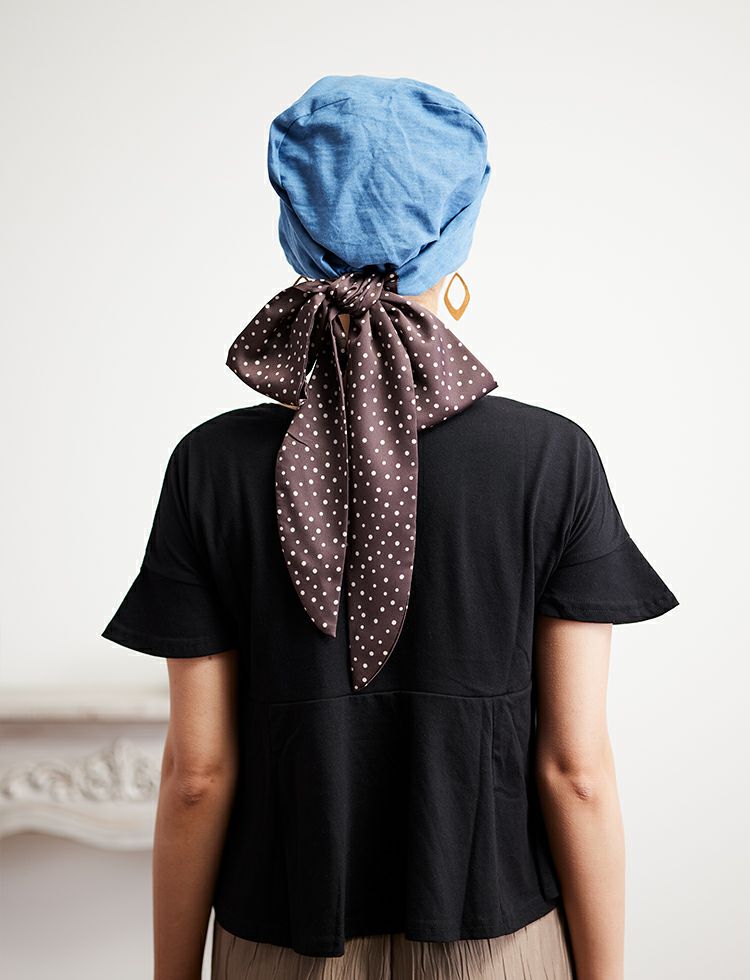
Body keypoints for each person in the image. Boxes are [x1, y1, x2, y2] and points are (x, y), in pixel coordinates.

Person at [102, 75, 679, 980]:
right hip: (496, 946)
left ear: (296, 235)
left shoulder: (210, 465)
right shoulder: (551, 459)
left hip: (279, 943)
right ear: (459, 239)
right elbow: (576, 771)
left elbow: (197, 777)